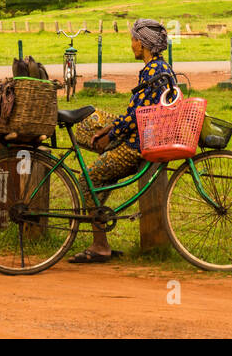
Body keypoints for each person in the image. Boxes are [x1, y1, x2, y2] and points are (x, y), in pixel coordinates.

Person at [68, 17, 174, 264]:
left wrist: (111, 133)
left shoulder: (152, 72)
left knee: (87, 179)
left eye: (134, 41)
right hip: (144, 133)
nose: (132, 46)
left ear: (143, 44)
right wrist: (109, 128)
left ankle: (99, 245)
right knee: (93, 117)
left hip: (138, 144)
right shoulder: (162, 68)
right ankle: (104, 154)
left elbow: (137, 116)